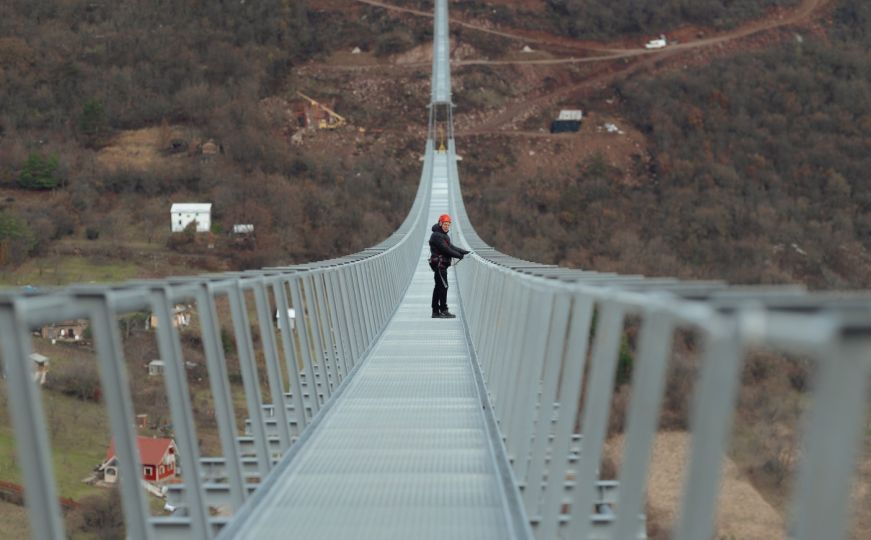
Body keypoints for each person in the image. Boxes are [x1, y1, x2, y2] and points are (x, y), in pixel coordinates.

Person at [428, 214, 469, 318]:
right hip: (440, 265)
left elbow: (450, 247)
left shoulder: (443, 235)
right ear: (440, 223)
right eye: (445, 224)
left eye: (448, 224)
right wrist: (459, 256)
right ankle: (443, 310)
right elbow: (445, 249)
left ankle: (435, 312)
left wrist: (463, 252)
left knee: (438, 287)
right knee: (443, 287)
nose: (447, 226)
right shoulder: (437, 236)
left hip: (441, 265)